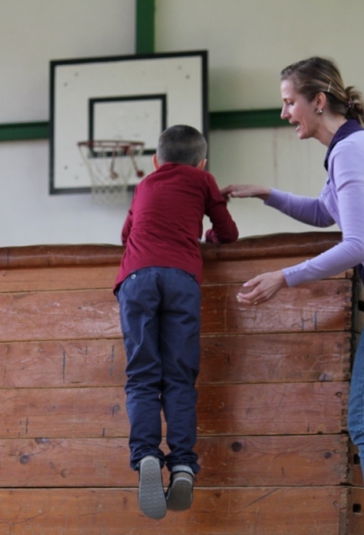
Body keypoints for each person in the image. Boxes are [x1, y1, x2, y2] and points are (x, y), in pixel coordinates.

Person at [221, 56, 364, 535]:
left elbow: (357, 245)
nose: (285, 113)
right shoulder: (352, 148)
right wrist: (265, 192)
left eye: (290, 102)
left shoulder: (351, 153)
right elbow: (325, 211)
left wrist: (283, 277)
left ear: (318, 101)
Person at [114, 124, 239, 520]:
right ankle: (183, 464)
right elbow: (228, 234)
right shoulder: (204, 180)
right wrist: (207, 233)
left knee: (142, 377)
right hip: (182, 279)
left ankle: (147, 456)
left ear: (155, 160)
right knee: (180, 378)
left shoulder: (145, 184)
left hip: (137, 279)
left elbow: (125, 234)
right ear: (202, 162)